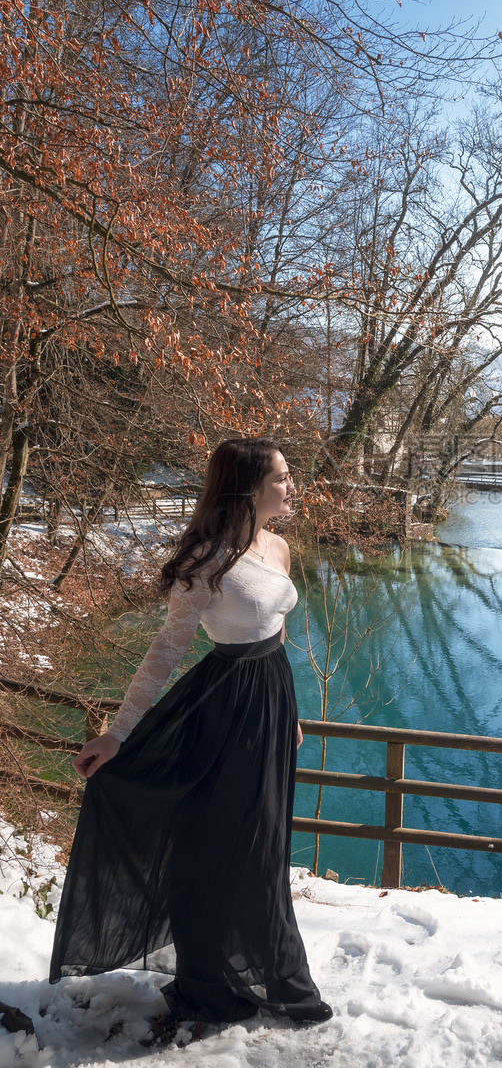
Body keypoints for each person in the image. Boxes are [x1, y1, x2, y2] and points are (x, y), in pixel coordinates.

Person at [49, 438, 332, 1033]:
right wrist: (118, 734)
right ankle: (214, 981)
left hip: (271, 703)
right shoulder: (207, 561)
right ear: (250, 487)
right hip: (222, 709)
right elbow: (165, 650)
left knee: (266, 846)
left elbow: (274, 635)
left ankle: (258, 969)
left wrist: (292, 714)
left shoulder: (278, 547)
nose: (290, 486)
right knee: (221, 845)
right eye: (281, 477)